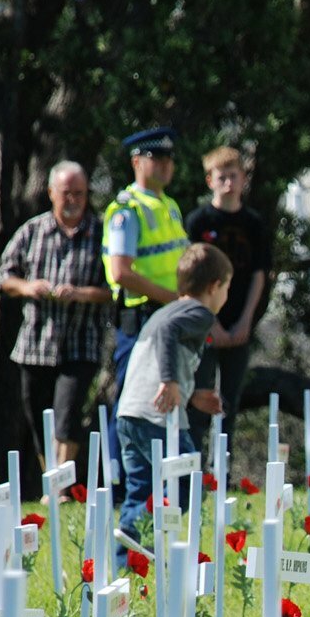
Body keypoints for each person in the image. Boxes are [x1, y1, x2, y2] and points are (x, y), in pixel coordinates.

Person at [0, 161, 112, 497]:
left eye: (80, 193)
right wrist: (28, 287)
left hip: (82, 341)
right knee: (40, 416)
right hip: (36, 342)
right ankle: (53, 482)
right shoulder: (32, 231)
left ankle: (59, 489)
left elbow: (115, 289)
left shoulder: (102, 233)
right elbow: (4, 276)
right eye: (67, 193)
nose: (73, 200)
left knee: (68, 413)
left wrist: (80, 294)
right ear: (51, 193)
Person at [114, 243, 231, 560]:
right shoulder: (200, 313)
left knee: (140, 489)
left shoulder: (165, 310)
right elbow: (169, 333)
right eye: (227, 287)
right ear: (214, 286)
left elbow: (160, 348)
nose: (226, 296)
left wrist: (191, 395)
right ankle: (141, 533)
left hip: (130, 412)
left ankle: (129, 561)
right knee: (189, 482)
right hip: (158, 417)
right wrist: (170, 381)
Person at [102, 127, 190, 476]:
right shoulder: (127, 210)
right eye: (157, 158)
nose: (166, 165)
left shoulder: (169, 205)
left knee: (161, 395)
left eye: (169, 158)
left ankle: (150, 474)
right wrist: (174, 298)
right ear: (136, 162)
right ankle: (118, 479)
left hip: (167, 315)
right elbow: (121, 272)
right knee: (131, 397)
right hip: (141, 316)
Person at [184, 145, 273, 451]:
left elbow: (260, 274)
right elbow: (191, 279)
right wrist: (212, 325)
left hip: (239, 324)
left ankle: (223, 466)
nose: (228, 183)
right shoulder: (198, 222)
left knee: (229, 402)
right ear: (210, 180)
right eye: (221, 177)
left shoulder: (254, 223)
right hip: (204, 325)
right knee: (200, 397)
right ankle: (194, 464)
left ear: (243, 178)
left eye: (234, 176)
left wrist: (245, 321)